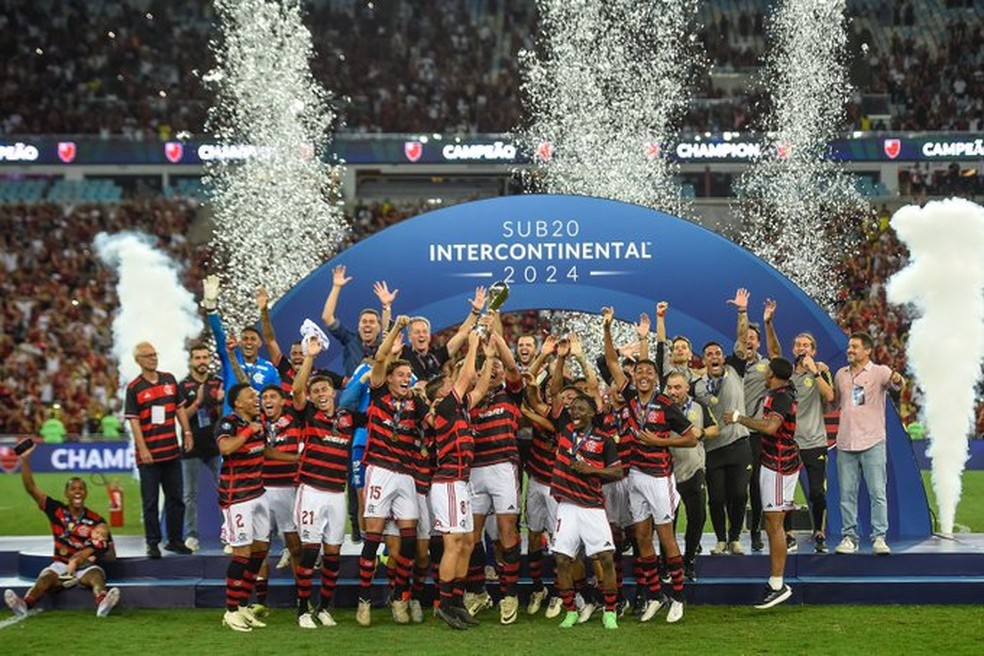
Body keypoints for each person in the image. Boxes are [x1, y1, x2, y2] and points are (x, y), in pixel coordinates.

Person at [603, 307, 698, 624]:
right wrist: (606, 328)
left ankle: (679, 598)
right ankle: (655, 595)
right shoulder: (629, 398)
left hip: (660, 478)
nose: (642, 376)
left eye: (648, 373)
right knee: (642, 538)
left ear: (655, 378)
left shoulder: (666, 404)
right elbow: (613, 362)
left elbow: (692, 438)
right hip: (635, 477)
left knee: (666, 537)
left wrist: (659, 442)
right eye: (638, 373)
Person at [356, 315, 430, 627]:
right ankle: (364, 601)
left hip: (407, 474)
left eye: (409, 374)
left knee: (409, 541)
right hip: (380, 470)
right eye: (401, 374)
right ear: (388, 378)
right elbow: (382, 357)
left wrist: (427, 401)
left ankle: (401, 598)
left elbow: (433, 425)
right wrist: (397, 328)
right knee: (373, 539)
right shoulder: (378, 394)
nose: (405, 378)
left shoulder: (416, 403)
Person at [291, 338, 363, 629]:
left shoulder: (347, 418)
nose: (321, 394)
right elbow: (296, 390)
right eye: (316, 390)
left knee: (333, 554)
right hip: (311, 492)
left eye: (325, 389)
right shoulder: (308, 413)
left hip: (336, 494)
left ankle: (323, 607)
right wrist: (309, 357)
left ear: (334, 392)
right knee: (310, 552)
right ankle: (302, 610)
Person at [4, 444, 120, 618]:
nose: (77, 492)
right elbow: (31, 489)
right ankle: (24, 604)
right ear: (66, 493)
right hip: (60, 564)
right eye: (73, 489)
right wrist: (25, 460)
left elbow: (111, 554)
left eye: (81, 489)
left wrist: (100, 546)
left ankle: (102, 602)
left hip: (85, 566)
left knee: (96, 576)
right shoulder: (56, 510)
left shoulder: (97, 520)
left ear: (86, 493)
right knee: (45, 579)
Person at [215, 383, 295, 632]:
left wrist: (294, 459)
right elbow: (226, 448)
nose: (256, 399)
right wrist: (249, 430)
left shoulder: (258, 422)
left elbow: (265, 451)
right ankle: (230, 612)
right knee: (241, 553)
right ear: (238, 403)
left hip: (258, 493)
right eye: (251, 396)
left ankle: (242, 606)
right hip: (236, 497)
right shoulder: (228, 423)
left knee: (260, 551)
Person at [426, 331, 492, 629]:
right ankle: (444, 604)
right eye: (450, 385)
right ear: (440, 394)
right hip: (448, 482)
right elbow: (466, 378)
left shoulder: (460, 408)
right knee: (453, 543)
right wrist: (474, 344)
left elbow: (479, 386)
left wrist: (489, 359)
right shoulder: (444, 407)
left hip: (460, 483)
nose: (456, 386)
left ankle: (456, 601)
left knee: (466, 542)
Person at [724, 357, 799, 609]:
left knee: (774, 523)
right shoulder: (778, 392)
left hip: (779, 464)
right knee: (772, 521)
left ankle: (777, 584)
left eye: (768, 369)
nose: (765, 370)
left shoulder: (782, 397)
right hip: (775, 461)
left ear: (772, 373)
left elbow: (770, 428)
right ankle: (775, 582)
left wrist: (738, 417)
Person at [548, 390, 624, 631]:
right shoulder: (565, 429)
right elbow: (556, 391)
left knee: (605, 558)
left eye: (581, 409)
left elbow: (617, 472)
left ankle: (610, 611)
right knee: (561, 559)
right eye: (573, 409)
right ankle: (571, 610)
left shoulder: (605, 440)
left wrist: (591, 470)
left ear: (592, 412)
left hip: (592, 506)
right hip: (567, 506)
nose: (575, 412)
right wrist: (559, 358)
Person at [764, 306, 835, 554]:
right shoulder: (786, 375)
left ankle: (819, 533)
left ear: (813, 350)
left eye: (806, 345)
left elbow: (830, 396)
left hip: (815, 440)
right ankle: (789, 533)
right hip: (789, 442)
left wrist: (815, 370)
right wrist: (769, 323)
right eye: (797, 345)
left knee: (817, 490)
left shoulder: (821, 371)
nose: (801, 348)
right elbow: (773, 351)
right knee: (787, 493)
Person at [465, 329, 525, 624]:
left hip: (503, 466)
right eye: (492, 366)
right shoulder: (472, 399)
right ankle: (477, 592)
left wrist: (497, 340)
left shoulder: (511, 392)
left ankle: (509, 594)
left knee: (506, 533)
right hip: (475, 469)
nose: (497, 369)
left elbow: (513, 368)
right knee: (472, 536)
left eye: (499, 366)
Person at [832, 332, 904, 556]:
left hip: (872, 441)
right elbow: (835, 402)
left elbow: (898, 384)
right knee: (846, 494)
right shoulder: (841, 375)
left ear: (867, 351)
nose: (850, 350)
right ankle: (849, 537)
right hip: (845, 442)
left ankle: (879, 538)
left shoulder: (879, 372)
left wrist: (898, 379)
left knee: (877, 493)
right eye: (849, 346)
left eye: (854, 347)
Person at [693, 289, 754, 556]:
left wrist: (742, 311)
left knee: (739, 494)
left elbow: (742, 340)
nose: (715, 356)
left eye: (718, 352)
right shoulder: (697, 386)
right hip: (713, 447)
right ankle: (720, 539)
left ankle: (735, 537)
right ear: (704, 360)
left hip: (739, 442)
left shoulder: (734, 369)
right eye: (710, 354)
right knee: (716, 498)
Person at [124, 341, 193, 558]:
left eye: (155, 354)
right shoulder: (134, 388)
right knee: (151, 502)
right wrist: (142, 448)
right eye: (148, 355)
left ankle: (175, 540)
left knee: (176, 499)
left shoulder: (169, 380)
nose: (153, 358)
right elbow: (134, 421)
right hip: (149, 456)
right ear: (138, 361)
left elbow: (179, 408)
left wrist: (187, 432)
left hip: (171, 450)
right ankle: (152, 543)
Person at [664, 371, 718, 581]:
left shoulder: (699, 406)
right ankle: (668, 564)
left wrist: (702, 433)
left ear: (687, 387)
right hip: (668, 472)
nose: (673, 392)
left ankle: (689, 561)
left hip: (694, 468)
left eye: (677, 387)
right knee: (668, 522)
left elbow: (715, 428)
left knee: (698, 518)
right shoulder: (661, 408)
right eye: (670, 387)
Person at [202, 275, 281, 414]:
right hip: (232, 423)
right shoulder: (231, 358)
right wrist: (211, 310)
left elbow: (277, 398)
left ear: (259, 343)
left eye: (252, 339)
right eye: (245, 339)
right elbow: (219, 335)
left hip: (259, 424)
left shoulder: (269, 368)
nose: (248, 342)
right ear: (240, 342)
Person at [177, 343, 225, 552]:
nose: (202, 361)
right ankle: (191, 535)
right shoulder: (183, 386)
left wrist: (220, 402)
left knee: (225, 490)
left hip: (216, 445)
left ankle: (230, 533)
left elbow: (226, 416)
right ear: (191, 361)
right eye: (198, 358)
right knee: (190, 495)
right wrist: (197, 403)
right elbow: (181, 417)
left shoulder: (218, 383)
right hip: (192, 446)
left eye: (205, 357)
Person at [320, 265, 396, 377]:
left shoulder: (383, 344)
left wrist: (386, 307)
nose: (367, 325)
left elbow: (387, 331)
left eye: (371, 322)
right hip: (354, 391)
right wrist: (336, 287)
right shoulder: (350, 340)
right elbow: (327, 317)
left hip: (378, 391)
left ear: (379, 327)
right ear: (359, 326)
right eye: (364, 322)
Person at [398, 287, 485, 381]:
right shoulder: (404, 353)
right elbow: (386, 343)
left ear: (429, 336)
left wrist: (475, 312)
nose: (421, 335)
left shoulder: (436, 355)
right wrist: (386, 307)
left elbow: (462, 334)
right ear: (409, 337)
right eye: (417, 332)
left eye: (425, 332)